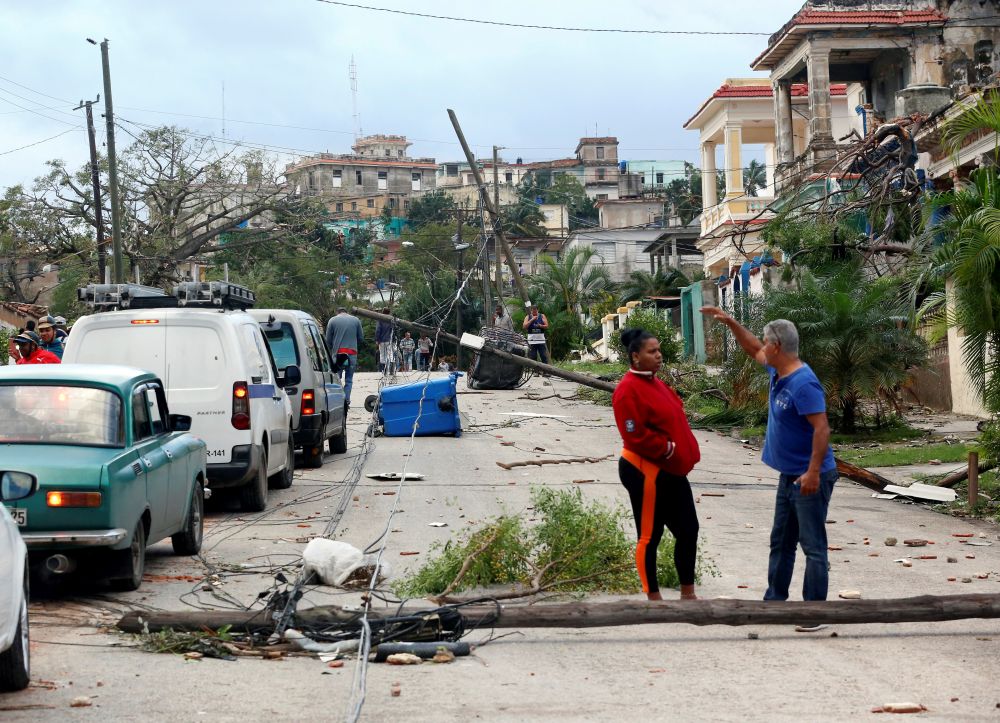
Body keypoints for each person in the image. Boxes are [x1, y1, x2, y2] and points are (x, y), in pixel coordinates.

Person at [701, 307, 838, 616]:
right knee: (781, 541)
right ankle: (774, 603)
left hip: (809, 477)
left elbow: (822, 428)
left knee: (813, 547)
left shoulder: (804, 384)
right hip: (788, 475)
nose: (762, 347)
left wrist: (814, 472)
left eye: (766, 342)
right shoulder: (778, 368)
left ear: (777, 346)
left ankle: (814, 612)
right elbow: (751, 348)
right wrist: (732, 324)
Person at [612, 328, 701, 602]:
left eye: (659, 350)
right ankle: (654, 598)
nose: (659, 356)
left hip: (671, 471)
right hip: (645, 471)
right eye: (652, 351)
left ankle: (688, 594)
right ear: (636, 357)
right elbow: (633, 434)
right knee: (650, 535)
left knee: (688, 529)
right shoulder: (627, 390)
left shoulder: (657, 383)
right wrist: (667, 448)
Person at [325, 307, 364, 408]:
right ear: (346, 312)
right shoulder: (356, 320)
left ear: (337, 312)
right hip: (352, 354)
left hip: (338, 354)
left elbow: (328, 340)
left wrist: (332, 349)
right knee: (349, 379)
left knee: (336, 378)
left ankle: (337, 402)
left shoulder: (332, 320)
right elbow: (361, 338)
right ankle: (346, 400)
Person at [375, 309, 395, 374]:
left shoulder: (380, 320)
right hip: (389, 340)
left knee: (383, 355)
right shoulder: (391, 320)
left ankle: (384, 370)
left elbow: (378, 330)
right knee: (390, 354)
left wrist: (377, 339)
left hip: (382, 340)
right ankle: (392, 370)